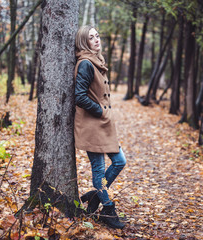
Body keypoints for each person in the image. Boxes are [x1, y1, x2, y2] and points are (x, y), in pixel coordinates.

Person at [74, 25, 126, 229]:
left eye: (97, 36)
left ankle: (96, 194)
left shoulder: (97, 61)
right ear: (83, 42)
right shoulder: (86, 63)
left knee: (120, 161)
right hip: (92, 125)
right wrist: (101, 111)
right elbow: (79, 96)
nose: (96, 40)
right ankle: (108, 209)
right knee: (98, 169)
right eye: (91, 38)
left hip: (102, 125)